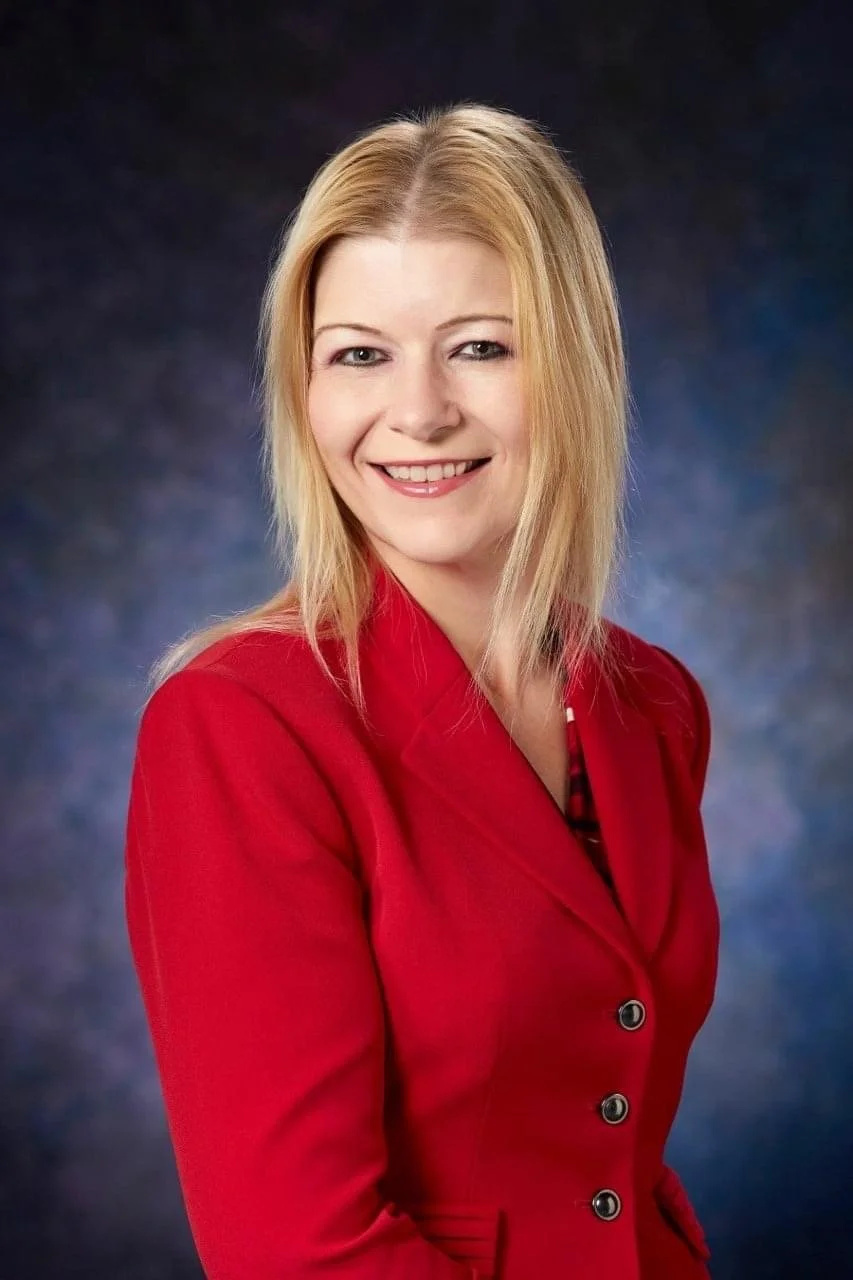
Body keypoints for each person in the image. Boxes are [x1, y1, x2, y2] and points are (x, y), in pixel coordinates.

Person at [124, 103, 720, 1279]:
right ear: (304, 390)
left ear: (577, 365)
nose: (418, 411)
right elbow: (295, 1247)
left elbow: (604, 1142)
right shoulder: (241, 720)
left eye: (481, 346)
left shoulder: (653, 701)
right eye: (359, 353)